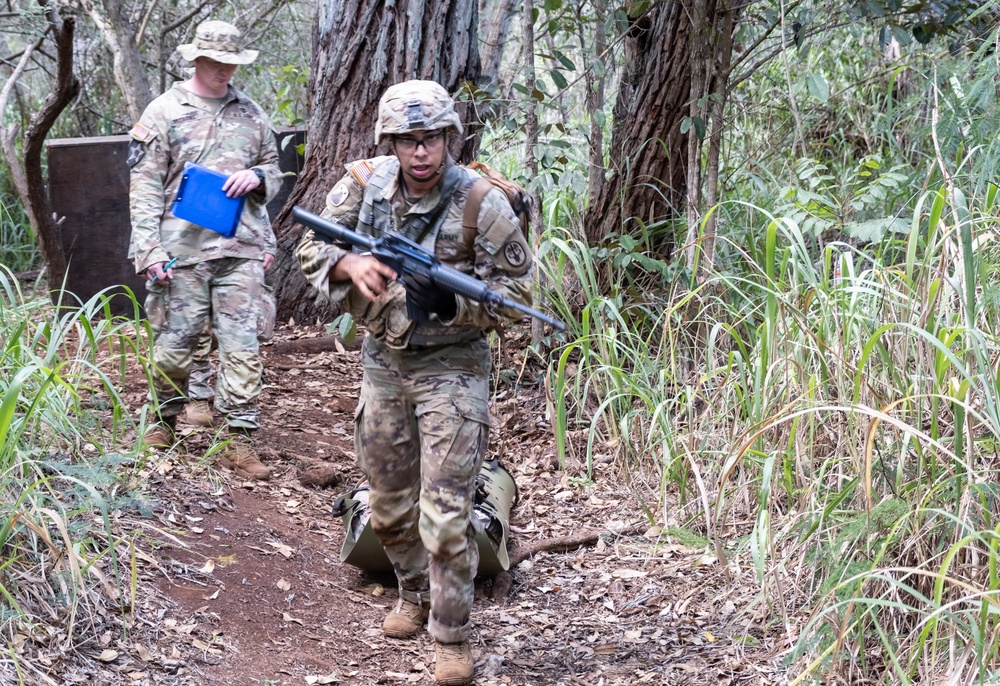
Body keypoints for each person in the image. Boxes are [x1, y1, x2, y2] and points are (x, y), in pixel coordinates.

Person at [295, 80, 533, 686]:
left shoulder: (484, 201)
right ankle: (412, 592)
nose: (420, 152)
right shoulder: (361, 185)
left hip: (453, 368)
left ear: (449, 137)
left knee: (447, 514)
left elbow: (521, 299)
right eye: (407, 141)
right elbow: (309, 246)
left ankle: (452, 636)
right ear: (390, 143)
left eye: (431, 139)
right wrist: (345, 263)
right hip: (383, 361)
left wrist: (452, 305)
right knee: (387, 506)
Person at [128, 19, 280, 480]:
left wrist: (258, 178)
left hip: (240, 247)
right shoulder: (164, 112)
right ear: (197, 58)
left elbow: (274, 168)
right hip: (182, 250)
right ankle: (162, 419)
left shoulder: (251, 113)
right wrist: (149, 248)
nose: (224, 71)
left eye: (231, 63)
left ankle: (239, 435)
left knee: (242, 346)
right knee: (175, 346)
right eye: (216, 62)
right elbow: (144, 187)